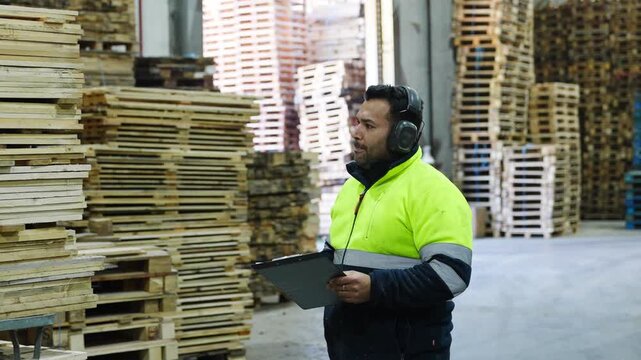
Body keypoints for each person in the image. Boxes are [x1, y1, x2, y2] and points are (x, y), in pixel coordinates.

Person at [324, 85, 473, 360]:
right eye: (357, 122)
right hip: (349, 346)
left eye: (368, 126)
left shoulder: (433, 191)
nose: (356, 133)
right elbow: (337, 252)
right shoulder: (352, 188)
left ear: (401, 136)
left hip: (406, 349)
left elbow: (452, 275)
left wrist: (374, 287)